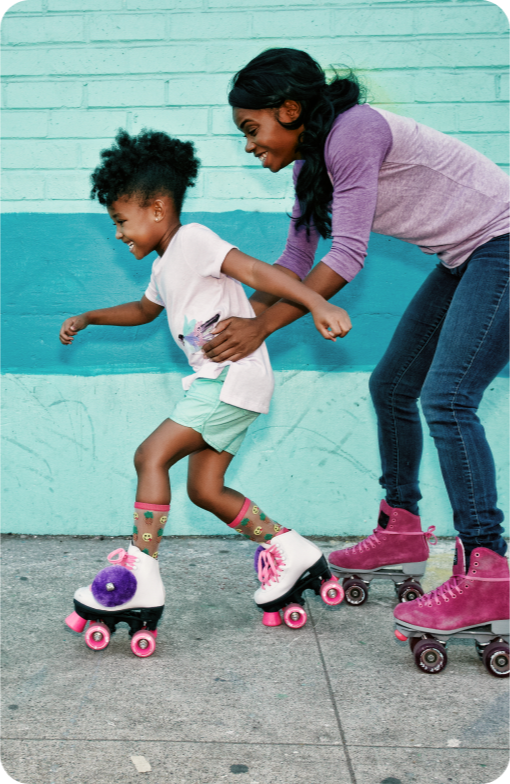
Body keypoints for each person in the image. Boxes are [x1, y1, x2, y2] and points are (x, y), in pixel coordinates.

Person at [202, 47, 510, 638]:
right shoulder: (309, 166)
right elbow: (295, 259)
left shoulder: (355, 132)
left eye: (251, 129)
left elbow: (345, 257)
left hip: (500, 245)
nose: (248, 145)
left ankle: (490, 570)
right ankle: (400, 528)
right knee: (392, 383)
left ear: (289, 109)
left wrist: (260, 327)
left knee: (447, 399)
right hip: (465, 256)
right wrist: (236, 317)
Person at [60, 129, 350, 651]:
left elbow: (257, 269)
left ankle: (141, 574)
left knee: (151, 455)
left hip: (230, 378)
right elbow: (145, 310)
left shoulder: (192, 240)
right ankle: (294, 550)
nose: (119, 234)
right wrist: (89, 317)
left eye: (122, 221)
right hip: (226, 382)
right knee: (205, 490)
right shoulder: (165, 264)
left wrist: (315, 303)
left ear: (158, 208)